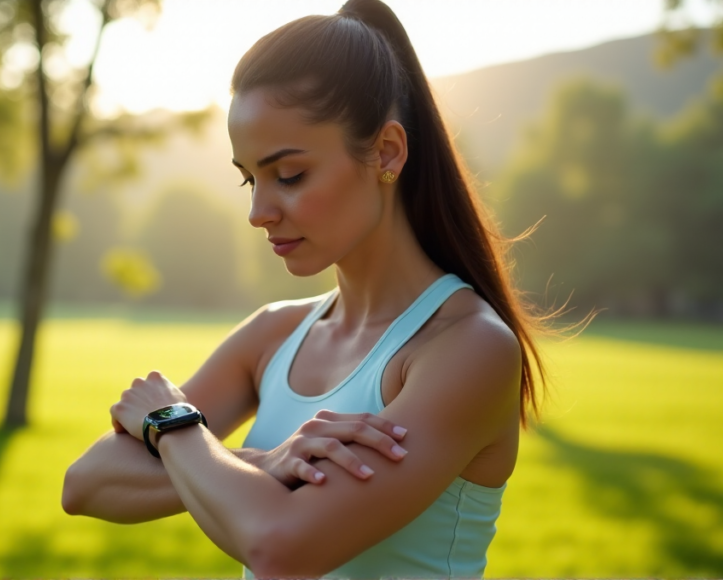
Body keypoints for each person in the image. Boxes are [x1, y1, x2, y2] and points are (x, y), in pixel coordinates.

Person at [62, 0, 556, 576]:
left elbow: (281, 547)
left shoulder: (467, 349)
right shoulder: (274, 333)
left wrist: (171, 423)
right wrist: (266, 463)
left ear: (386, 154)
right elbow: (86, 483)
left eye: (289, 175)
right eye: (249, 178)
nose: (257, 211)